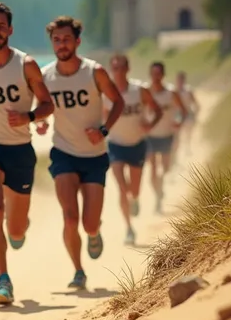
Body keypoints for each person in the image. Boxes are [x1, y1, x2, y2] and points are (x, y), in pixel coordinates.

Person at [0, 1, 54, 305]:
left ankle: (20, 228)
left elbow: (48, 104)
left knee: (16, 228)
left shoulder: (26, 64)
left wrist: (30, 118)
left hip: (20, 149)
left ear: (10, 30)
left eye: (1, 26)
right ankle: (3, 280)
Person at [38, 16, 124, 290]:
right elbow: (41, 107)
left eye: (66, 39)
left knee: (88, 224)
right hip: (63, 152)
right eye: (56, 40)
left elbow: (118, 101)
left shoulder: (93, 71)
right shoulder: (46, 75)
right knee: (70, 216)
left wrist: (104, 130)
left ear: (77, 41)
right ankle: (78, 271)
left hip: (95, 155)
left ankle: (95, 232)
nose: (61, 45)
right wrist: (40, 123)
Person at [104, 54, 162, 245]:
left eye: (121, 68)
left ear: (128, 69)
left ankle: (135, 199)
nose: (118, 72)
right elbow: (102, 118)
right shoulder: (106, 93)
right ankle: (129, 228)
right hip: (116, 146)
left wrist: (150, 124)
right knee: (122, 187)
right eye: (115, 68)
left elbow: (158, 110)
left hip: (137, 144)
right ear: (111, 71)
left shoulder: (140, 90)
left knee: (134, 189)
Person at [146, 61, 187, 214]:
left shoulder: (171, 93)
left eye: (158, 74)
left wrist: (179, 122)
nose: (155, 77)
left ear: (163, 75)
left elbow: (183, 111)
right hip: (150, 136)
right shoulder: (146, 92)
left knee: (166, 168)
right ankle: (157, 197)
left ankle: (160, 189)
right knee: (153, 169)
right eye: (153, 74)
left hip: (167, 135)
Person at [172, 71, 200, 161]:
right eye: (178, 80)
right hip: (177, 115)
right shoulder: (173, 91)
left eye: (181, 80)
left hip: (188, 115)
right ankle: (176, 154)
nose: (180, 82)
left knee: (188, 134)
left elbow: (195, 103)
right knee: (176, 136)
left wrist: (195, 114)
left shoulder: (188, 91)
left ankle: (187, 148)